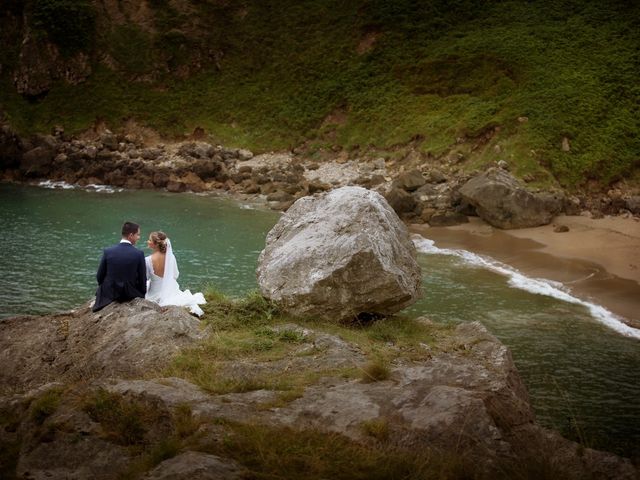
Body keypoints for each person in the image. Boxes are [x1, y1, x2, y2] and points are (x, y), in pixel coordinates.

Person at [145, 231, 206, 316]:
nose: (148, 241)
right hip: (170, 291)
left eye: (149, 240)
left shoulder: (147, 260)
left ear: (155, 244)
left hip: (154, 292)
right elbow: (175, 275)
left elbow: (146, 277)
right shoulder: (171, 257)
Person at [93, 221, 147, 312]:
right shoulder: (139, 254)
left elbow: (99, 276)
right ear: (131, 235)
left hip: (109, 292)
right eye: (137, 235)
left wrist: (104, 288)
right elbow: (142, 279)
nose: (139, 237)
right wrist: (142, 294)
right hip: (129, 293)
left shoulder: (108, 251)